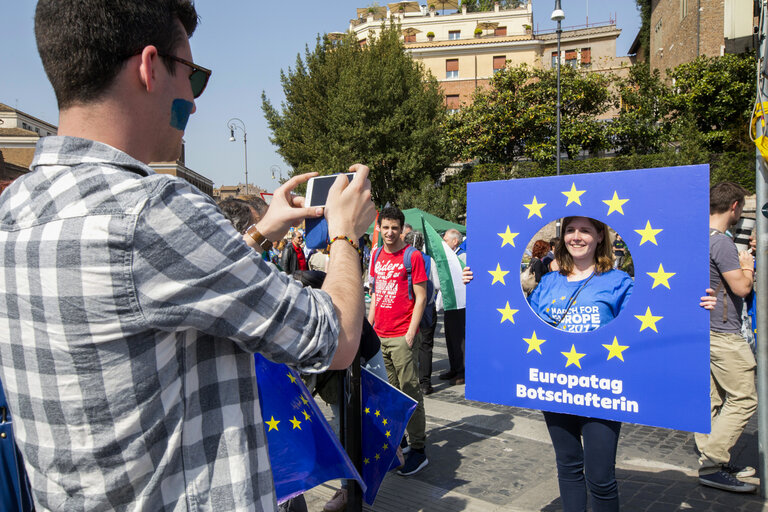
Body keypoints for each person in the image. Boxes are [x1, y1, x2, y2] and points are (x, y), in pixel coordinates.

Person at [0, 2, 376, 510]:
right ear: (149, 67)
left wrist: (260, 232)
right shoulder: (151, 211)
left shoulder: (14, 208)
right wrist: (346, 234)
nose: (194, 104)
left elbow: (154, 301)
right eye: (193, 78)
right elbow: (334, 338)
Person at [463, 216, 716, 511]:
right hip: (555, 386)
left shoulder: (618, 282)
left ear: (599, 237)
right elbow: (520, 325)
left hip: (602, 387)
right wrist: (477, 283)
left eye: (585, 230)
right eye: (570, 230)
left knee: (600, 476)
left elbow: (653, 318)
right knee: (568, 466)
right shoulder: (548, 283)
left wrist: (695, 305)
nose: (576, 236)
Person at [694, 182, 758, 493]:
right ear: (734, 206)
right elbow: (742, 288)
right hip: (723, 333)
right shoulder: (721, 243)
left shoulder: (695, 237)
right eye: (742, 208)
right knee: (744, 398)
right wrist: (748, 267)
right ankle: (712, 463)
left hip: (703, 329)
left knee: (713, 399)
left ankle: (713, 457)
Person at [368, 206, 429, 476]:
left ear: (402, 229)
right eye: (385, 227)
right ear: (379, 228)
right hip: (379, 335)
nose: (390, 233)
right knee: (389, 394)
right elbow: (374, 295)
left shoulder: (411, 256)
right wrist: (369, 329)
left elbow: (421, 296)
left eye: (395, 228)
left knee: (409, 391)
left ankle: (418, 448)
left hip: (402, 335)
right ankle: (398, 441)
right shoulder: (376, 255)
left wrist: (410, 333)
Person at [404, 230, 440, 396]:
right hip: (425, 308)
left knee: (407, 345)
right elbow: (437, 284)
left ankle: (406, 383)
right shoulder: (428, 260)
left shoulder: (401, 257)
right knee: (425, 345)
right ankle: (425, 383)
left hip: (405, 308)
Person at [441, 228, 466, 385]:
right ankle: (453, 367)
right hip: (449, 301)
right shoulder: (447, 256)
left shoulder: (463, 256)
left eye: (445, 240)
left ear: (455, 241)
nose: (443, 242)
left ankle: (461, 371)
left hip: (461, 303)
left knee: (459, 338)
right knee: (450, 337)